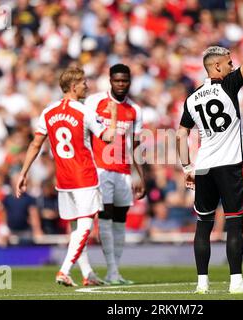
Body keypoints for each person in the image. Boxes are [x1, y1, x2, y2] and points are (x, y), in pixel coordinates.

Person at [176, 9, 243, 294]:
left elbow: (181, 134)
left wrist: (186, 167)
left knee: (203, 224)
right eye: (229, 63)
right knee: (235, 223)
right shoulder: (230, 86)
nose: (233, 66)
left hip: (204, 166)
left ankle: (202, 284)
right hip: (230, 164)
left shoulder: (192, 98)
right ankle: (236, 282)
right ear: (217, 67)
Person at [15, 67, 117, 287]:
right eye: (83, 84)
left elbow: (35, 144)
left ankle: (87, 273)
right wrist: (114, 114)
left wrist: (23, 173)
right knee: (86, 227)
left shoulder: (48, 111)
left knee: (75, 229)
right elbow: (108, 137)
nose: (87, 87)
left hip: (63, 180)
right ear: (73, 87)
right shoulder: (83, 111)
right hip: (84, 176)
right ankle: (64, 270)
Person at [79, 64, 145, 285]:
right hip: (100, 168)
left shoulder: (135, 110)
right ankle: (113, 271)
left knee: (120, 221)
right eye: (117, 80)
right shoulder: (94, 102)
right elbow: (84, 132)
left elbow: (135, 146)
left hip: (124, 171)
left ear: (129, 81)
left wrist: (139, 176)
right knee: (105, 217)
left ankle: (114, 272)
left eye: (124, 81)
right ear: (110, 80)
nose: (121, 84)